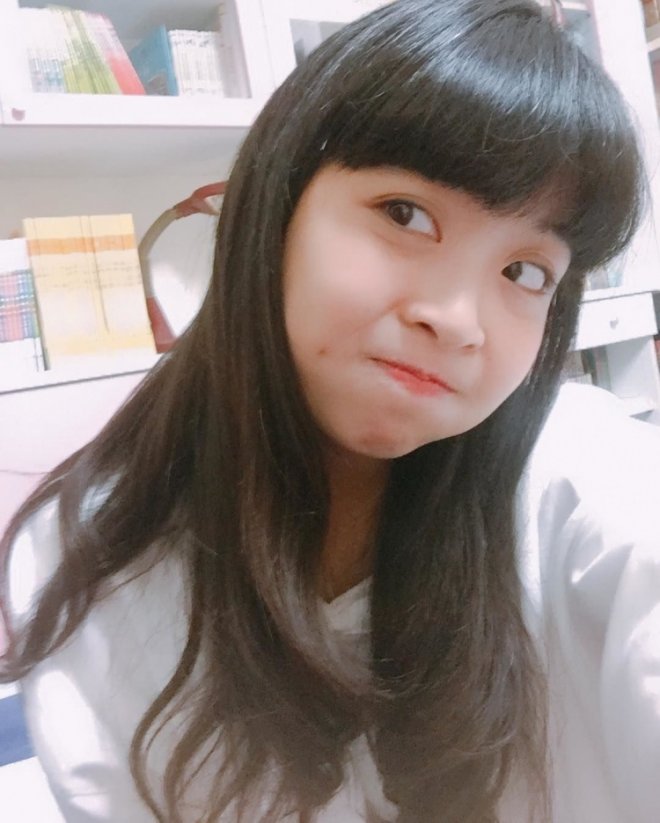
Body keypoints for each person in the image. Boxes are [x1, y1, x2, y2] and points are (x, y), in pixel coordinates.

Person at [1, 0, 659, 820]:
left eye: (525, 271)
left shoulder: (581, 483)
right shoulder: (87, 559)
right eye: (406, 214)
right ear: (275, 206)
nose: (457, 319)